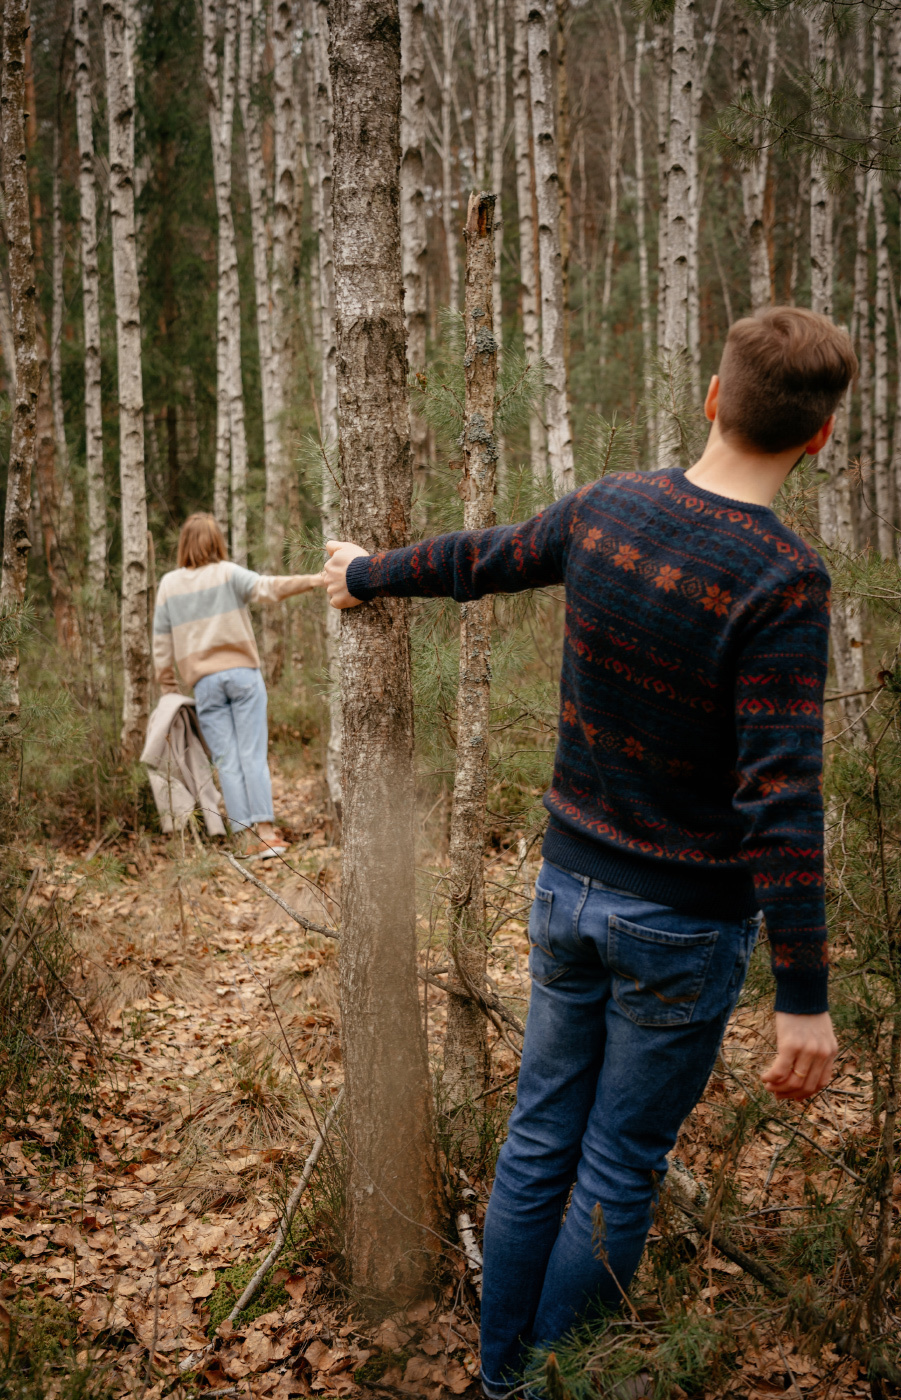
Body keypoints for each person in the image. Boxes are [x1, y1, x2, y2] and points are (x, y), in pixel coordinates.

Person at [321, 307, 854, 1392]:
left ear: (713, 396)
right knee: (615, 1166)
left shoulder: (611, 506)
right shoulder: (783, 578)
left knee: (537, 1144)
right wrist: (803, 995)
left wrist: (370, 572)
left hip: (567, 892)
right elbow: (782, 797)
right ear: (821, 436)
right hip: (681, 927)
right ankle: (542, 1385)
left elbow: (483, 558)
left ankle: (502, 1379)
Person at [153, 513, 324, 856]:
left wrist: (168, 686)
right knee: (252, 755)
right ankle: (267, 833)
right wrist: (316, 579)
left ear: (183, 545)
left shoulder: (169, 584)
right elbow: (269, 588)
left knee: (227, 760)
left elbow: (161, 642)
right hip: (243, 677)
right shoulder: (228, 573)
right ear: (217, 541)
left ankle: (246, 839)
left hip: (205, 685)